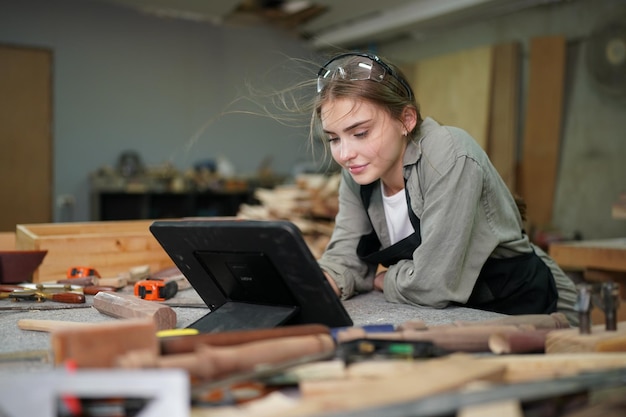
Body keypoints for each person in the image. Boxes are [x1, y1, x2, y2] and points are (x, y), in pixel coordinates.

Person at [312, 51, 579, 325]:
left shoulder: (447, 153)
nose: (345, 154)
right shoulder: (358, 173)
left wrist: (387, 279)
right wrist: (317, 285)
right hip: (457, 315)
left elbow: (432, 284)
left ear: (406, 120)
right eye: (333, 138)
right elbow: (346, 256)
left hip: (528, 306)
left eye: (360, 133)